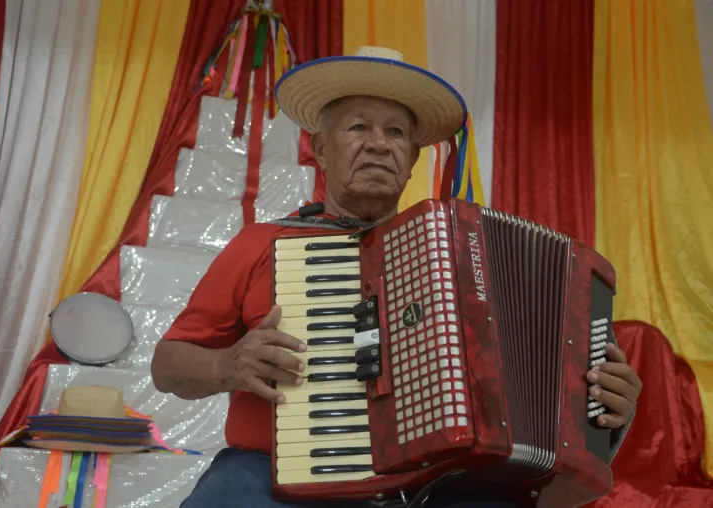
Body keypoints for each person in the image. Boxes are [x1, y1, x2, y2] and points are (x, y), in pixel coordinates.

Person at [151, 46, 642, 508]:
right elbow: (168, 364)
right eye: (359, 127)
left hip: (436, 481)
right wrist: (227, 367)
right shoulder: (261, 244)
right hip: (273, 475)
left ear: (411, 161)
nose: (378, 145)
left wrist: (606, 408)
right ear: (321, 150)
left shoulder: (465, 257)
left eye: (396, 134)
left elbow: (542, 382)